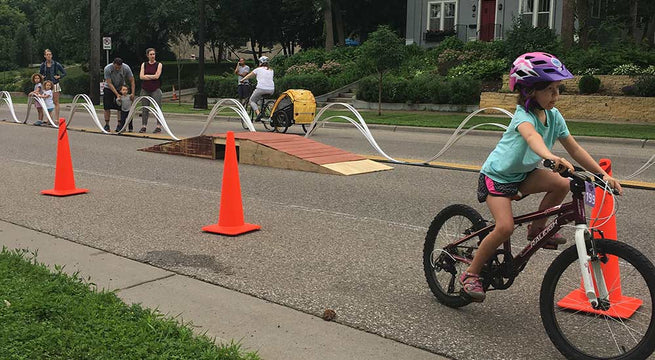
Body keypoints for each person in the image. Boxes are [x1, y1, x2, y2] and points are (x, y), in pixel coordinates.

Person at [460, 52, 623, 303]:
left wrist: (601, 175)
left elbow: (575, 149)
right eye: (549, 89)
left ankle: (537, 229)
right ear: (529, 91)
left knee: (563, 183)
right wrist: (550, 157)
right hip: (498, 177)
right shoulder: (523, 117)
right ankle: (471, 274)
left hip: (524, 174)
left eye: (558, 89)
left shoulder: (554, 116)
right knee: (504, 227)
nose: (555, 96)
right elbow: (532, 138)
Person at [103, 58, 135, 132]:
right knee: (107, 106)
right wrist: (117, 94)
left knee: (120, 107)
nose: (117, 69)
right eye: (116, 67)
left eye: (119, 67)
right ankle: (107, 124)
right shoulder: (107, 68)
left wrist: (133, 93)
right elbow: (109, 83)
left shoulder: (126, 68)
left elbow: (132, 80)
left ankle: (119, 124)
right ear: (113, 64)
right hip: (109, 87)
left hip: (120, 86)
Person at [240, 56, 274, 120]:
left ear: (261, 62)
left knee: (252, 100)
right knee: (261, 98)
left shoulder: (258, 69)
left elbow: (249, 75)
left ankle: (258, 113)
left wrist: (242, 80)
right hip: (271, 89)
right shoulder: (271, 70)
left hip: (261, 89)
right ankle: (264, 110)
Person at [139, 48, 163, 134]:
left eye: (154, 54)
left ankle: (158, 126)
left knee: (157, 107)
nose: (153, 56)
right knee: (145, 108)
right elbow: (141, 76)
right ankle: (144, 126)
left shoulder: (158, 64)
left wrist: (147, 76)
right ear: (147, 55)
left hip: (155, 89)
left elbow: (157, 76)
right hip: (145, 89)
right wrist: (151, 76)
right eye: (151, 54)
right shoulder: (144, 64)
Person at [39, 49, 66, 121]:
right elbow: (40, 74)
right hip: (46, 86)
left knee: (56, 102)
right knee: (47, 101)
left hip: (55, 84)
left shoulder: (56, 64)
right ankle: (49, 118)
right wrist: (42, 77)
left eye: (50, 54)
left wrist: (59, 76)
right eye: (47, 54)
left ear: (52, 55)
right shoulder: (42, 65)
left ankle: (57, 119)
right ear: (45, 56)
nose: (48, 56)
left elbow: (64, 73)